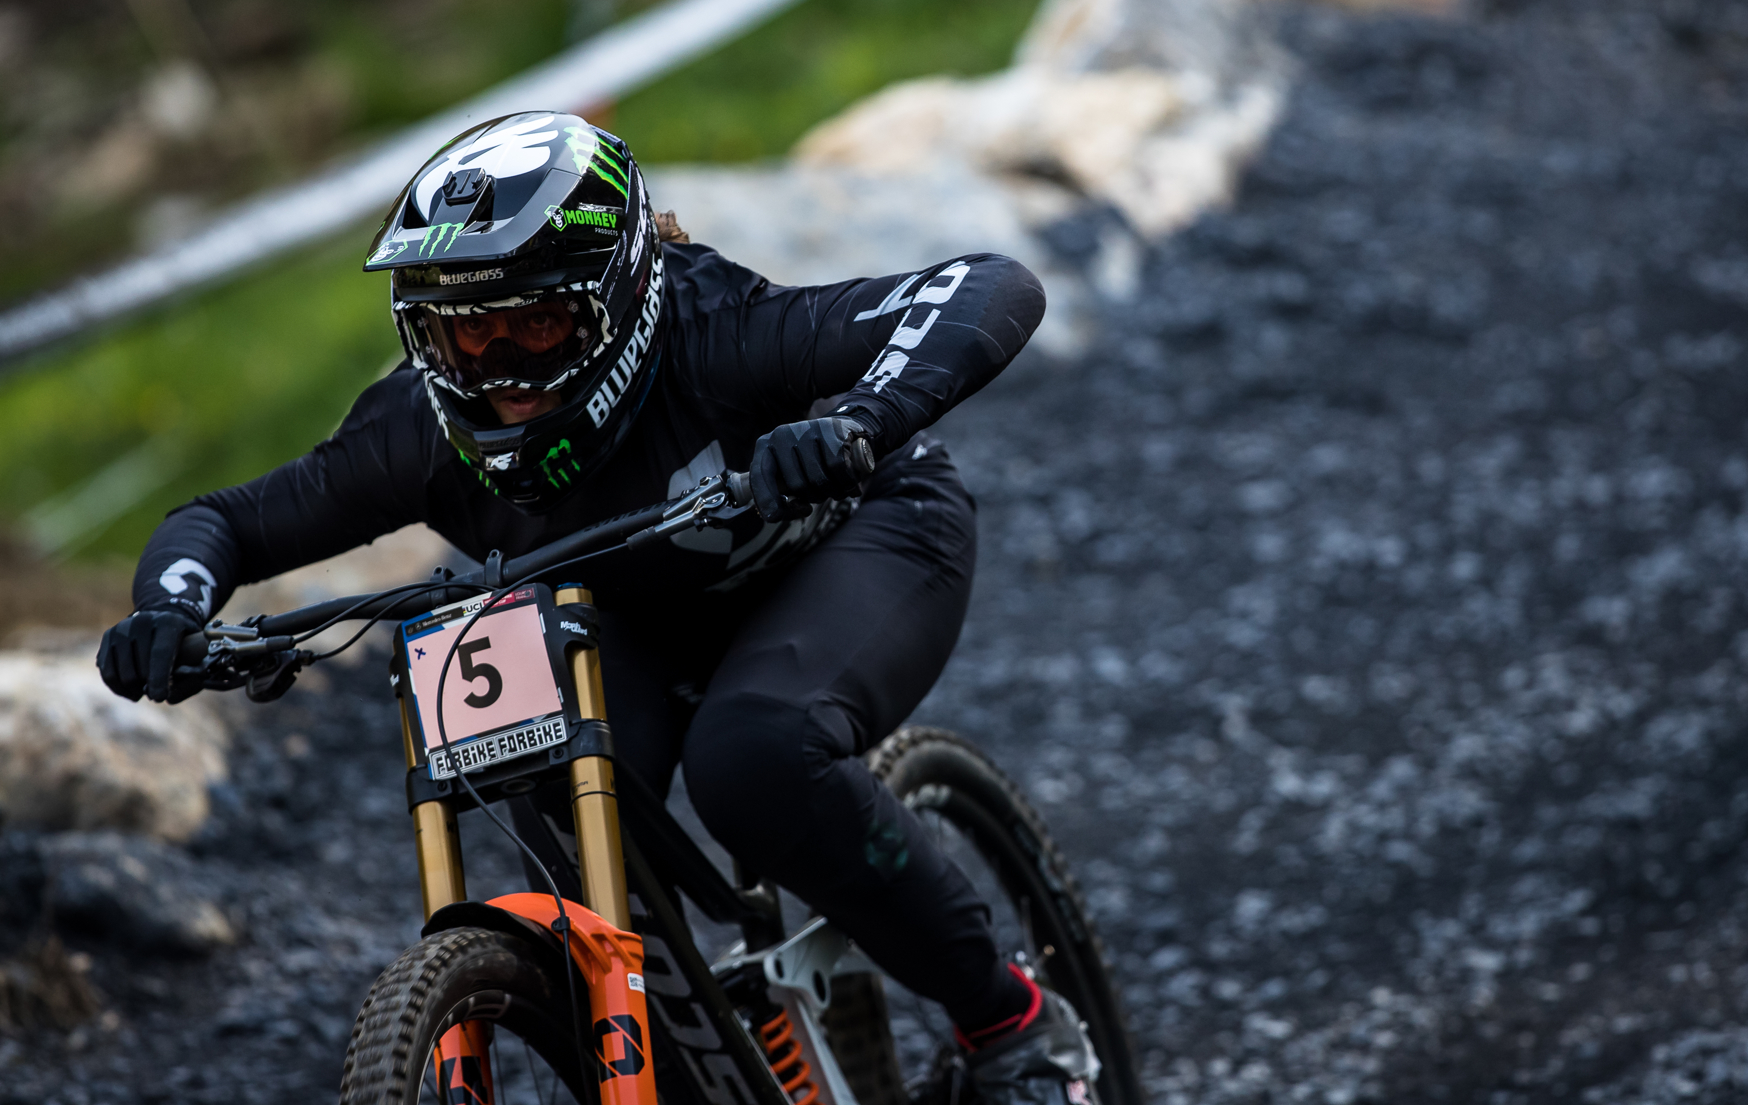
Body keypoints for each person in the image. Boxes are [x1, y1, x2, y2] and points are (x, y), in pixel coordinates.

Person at [95, 111, 1098, 1104]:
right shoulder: (414, 429)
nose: (503, 372)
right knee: (545, 779)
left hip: (855, 534)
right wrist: (172, 611)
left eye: (536, 323)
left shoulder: (715, 333)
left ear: (618, 299)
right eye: (466, 332)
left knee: (752, 756)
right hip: (629, 602)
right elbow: (219, 522)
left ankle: (1012, 1023)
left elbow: (988, 284)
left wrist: (859, 418)